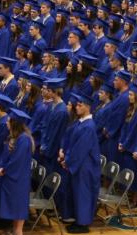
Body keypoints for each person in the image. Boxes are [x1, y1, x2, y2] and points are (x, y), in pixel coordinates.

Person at [60, 93, 100, 234]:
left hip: (85, 167)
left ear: (88, 107)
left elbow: (80, 149)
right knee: (76, 192)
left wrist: (68, 161)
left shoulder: (89, 126)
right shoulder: (81, 122)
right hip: (79, 164)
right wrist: (66, 156)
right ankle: (77, 219)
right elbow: (72, 143)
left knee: (83, 194)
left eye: (80, 105)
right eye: (76, 104)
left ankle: (83, 223)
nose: (76, 107)